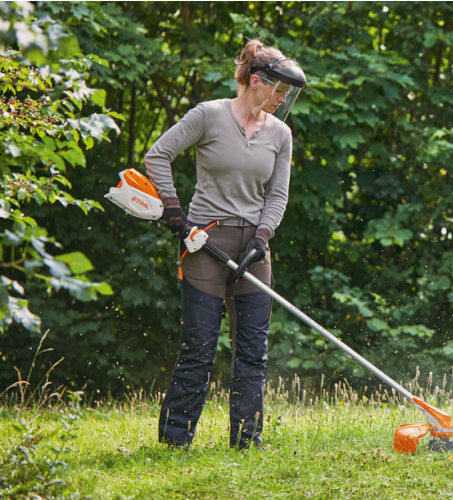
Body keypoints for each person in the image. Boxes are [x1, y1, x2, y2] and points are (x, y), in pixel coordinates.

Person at [145, 39, 305, 449]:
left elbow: (278, 196)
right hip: (203, 241)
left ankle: (247, 443)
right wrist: (175, 213)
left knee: (253, 351)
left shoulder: (281, 135)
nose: (283, 99)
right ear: (256, 81)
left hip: (254, 247)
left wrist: (263, 236)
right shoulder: (209, 115)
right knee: (199, 345)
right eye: (280, 90)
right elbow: (157, 156)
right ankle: (175, 441)